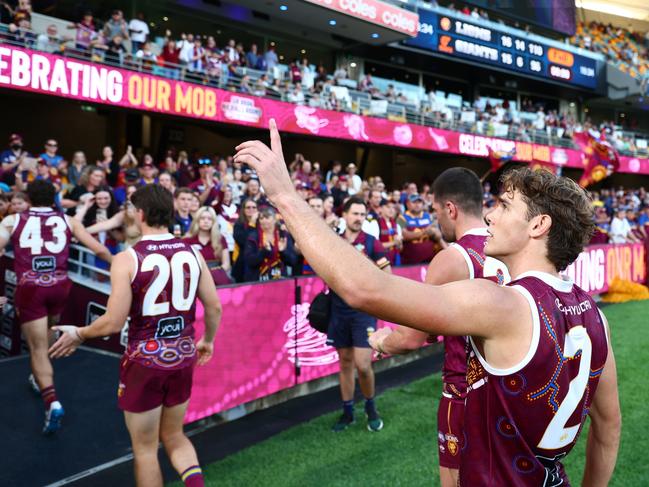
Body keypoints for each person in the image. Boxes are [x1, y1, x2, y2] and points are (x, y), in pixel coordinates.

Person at [234, 122, 620, 486]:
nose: (489, 213)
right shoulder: (596, 317)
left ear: (538, 227)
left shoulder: (501, 303)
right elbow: (608, 428)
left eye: (504, 205)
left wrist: (285, 196)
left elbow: (365, 289)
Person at [49, 184, 222, 487]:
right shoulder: (193, 253)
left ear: (140, 214)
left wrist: (79, 332)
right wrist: (208, 340)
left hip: (145, 361)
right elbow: (214, 307)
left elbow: (113, 323)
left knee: (144, 450)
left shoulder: (127, 258)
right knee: (174, 436)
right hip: (182, 356)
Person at [374, 168, 510, 486]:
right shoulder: (510, 248)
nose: (437, 221)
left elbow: (410, 337)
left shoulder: (453, 259)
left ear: (450, 208)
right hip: (511, 390)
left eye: (436, 212)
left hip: (465, 392)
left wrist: (381, 342)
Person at [0, 180, 112, 434]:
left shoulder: (13, 220)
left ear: (28, 199)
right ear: (53, 199)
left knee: (37, 348)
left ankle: (52, 401)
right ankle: (37, 377)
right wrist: (119, 264)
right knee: (50, 327)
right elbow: (98, 248)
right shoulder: (68, 220)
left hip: (31, 287)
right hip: (60, 285)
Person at [326, 196, 391, 433]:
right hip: (338, 310)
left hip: (363, 312)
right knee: (344, 363)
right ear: (344, 215)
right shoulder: (333, 241)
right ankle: (347, 412)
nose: (359, 218)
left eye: (363, 215)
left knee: (363, 364)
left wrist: (367, 271)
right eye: (355, 213)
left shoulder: (372, 243)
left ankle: (371, 407)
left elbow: (388, 275)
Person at [243, 206, 297, 281]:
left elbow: (292, 261)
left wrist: (283, 252)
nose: (264, 220)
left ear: (275, 219)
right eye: (261, 218)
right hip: (258, 280)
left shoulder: (283, 235)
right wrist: (263, 252)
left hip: (280, 278)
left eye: (267, 217)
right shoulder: (253, 237)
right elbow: (249, 261)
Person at [185, 206, 231, 286]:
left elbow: (226, 264)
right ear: (197, 220)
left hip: (217, 277)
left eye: (209, 219)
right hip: (195, 277)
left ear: (213, 222)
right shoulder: (187, 240)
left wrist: (213, 274)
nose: (206, 221)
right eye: (202, 218)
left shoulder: (220, 239)